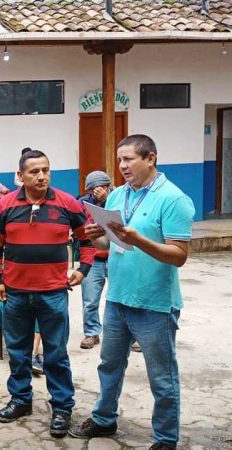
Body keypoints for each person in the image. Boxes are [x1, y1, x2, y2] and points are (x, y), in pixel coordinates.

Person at [69, 135, 194, 450]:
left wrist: (140, 241)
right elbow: (110, 244)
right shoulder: (117, 196)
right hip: (117, 299)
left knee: (162, 378)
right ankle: (104, 418)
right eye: (120, 160)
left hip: (155, 305)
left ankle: (165, 439)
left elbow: (179, 255)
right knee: (109, 365)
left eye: (129, 159)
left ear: (150, 158)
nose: (122, 166)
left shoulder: (173, 198)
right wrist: (96, 236)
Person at [0, 149, 96, 437]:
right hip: (16, 294)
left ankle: (62, 407)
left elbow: (87, 239)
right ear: (20, 175)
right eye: (34, 171)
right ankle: (21, 399)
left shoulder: (67, 203)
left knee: (56, 354)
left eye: (45, 170)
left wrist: (83, 269)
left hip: (53, 293)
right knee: (18, 352)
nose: (41, 176)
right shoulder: (5, 205)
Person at [77, 170, 113, 350]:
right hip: (93, 258)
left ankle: (128, 335)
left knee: (121, 299)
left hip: (117, 257)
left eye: (102, 187)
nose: (98, 191)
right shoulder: (82, 204)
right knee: (90, 300)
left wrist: (108, 200)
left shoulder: (118, 199)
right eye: (94, 188)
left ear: (108, 187)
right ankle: (91, 333)